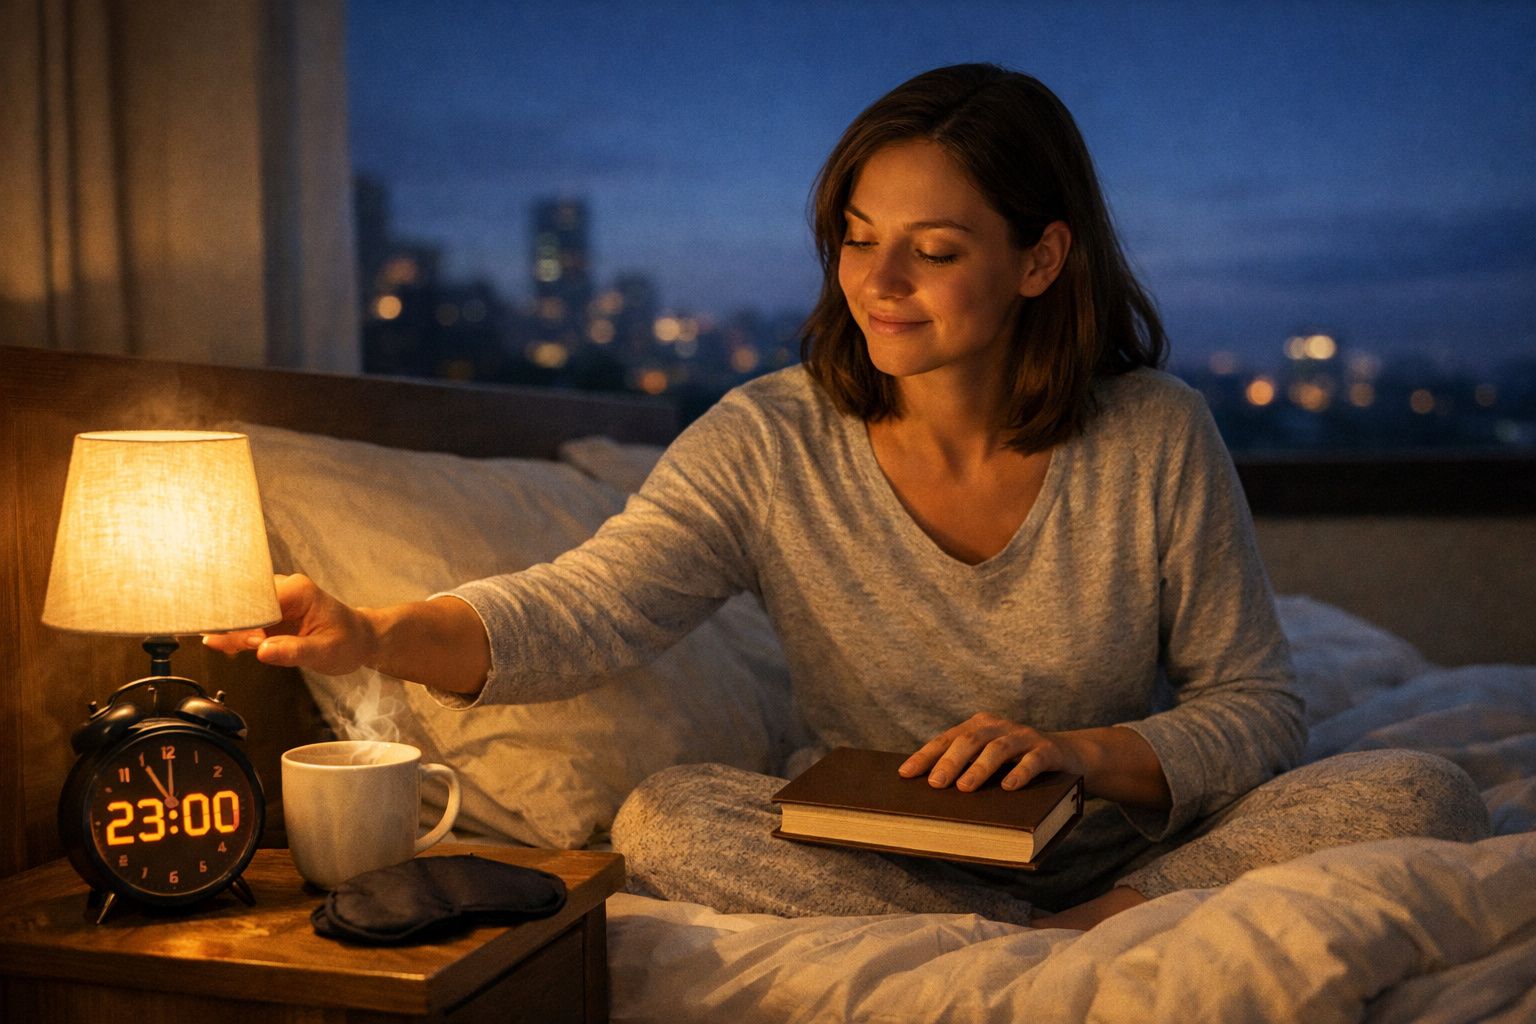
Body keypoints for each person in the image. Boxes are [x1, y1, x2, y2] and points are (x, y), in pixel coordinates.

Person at [208, 63, 1488, 929]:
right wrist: (374, 632)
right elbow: (582, 608)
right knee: (665, 819)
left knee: (1417, 791)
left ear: (1042, 259)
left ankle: (1087, 932)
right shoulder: (770, 437)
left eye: (933, 251)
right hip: (873, 854)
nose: (878, 281)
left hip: (1129, 853)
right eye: (859, 236)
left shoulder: (1155, 436)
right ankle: (1033, 949)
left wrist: (1080, 754)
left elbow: (1258, 702)